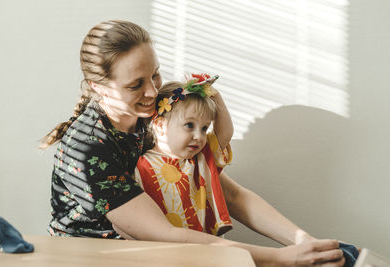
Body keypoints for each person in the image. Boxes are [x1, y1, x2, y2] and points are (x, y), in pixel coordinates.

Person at [40, 19, 345, 266]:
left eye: (155, 76)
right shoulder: (89, 149)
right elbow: (165, 235)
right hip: (93, 259)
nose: (152, 92)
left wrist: (300, 239)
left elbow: (228, 193)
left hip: (159, 249)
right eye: (136, 85)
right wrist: (280, 258)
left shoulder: (154, 112)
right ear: (99, 87)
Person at [134, 74, 234, 237]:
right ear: (161, 125)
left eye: (204, 128)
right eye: (189, 125)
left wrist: (214, 94)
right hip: (163, 248)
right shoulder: (141, 167)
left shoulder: (201, 157)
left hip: (205, 246)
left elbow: (225, 133)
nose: (199, 136)